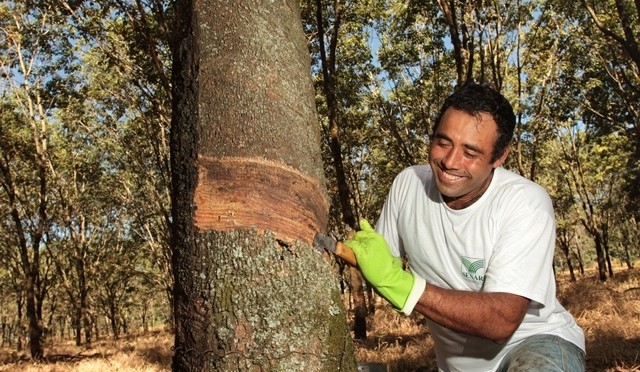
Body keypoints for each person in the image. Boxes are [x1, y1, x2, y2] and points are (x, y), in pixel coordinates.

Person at [344, 82, 586, 372]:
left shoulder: (525, 203)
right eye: (443, 142)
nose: (449, 161)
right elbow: (381, 263)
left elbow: (501, 321)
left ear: (499, 157)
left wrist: (401, 285)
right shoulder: (407, 185)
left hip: (536, 343)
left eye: (470, 153)